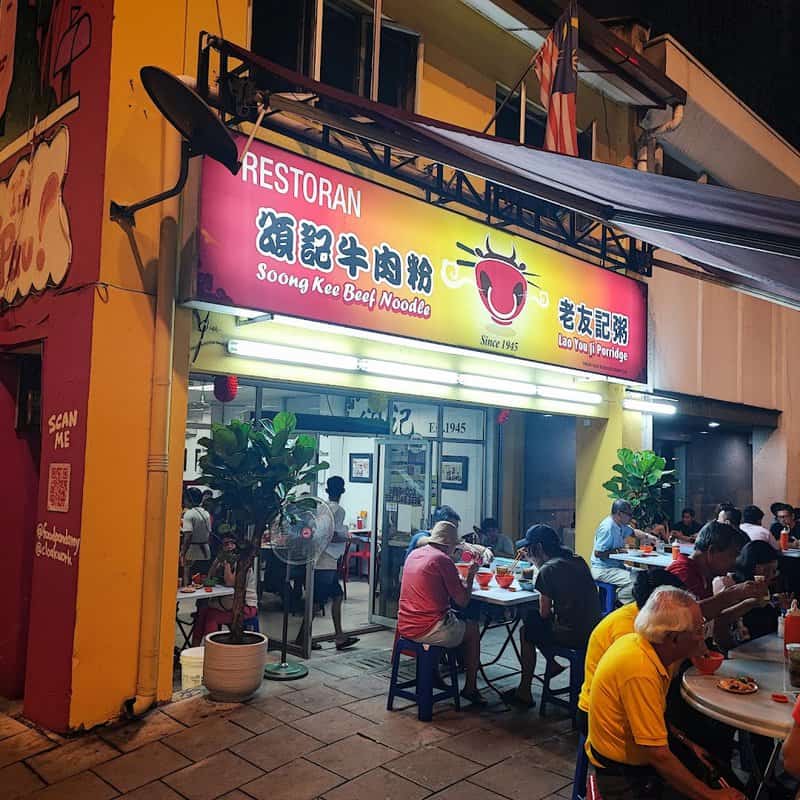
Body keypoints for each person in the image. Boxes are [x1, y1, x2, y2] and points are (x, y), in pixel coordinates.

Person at [588, 587, 744, 800]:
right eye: (698, 630)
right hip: (623, 776)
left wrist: (685, 743)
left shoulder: (652, 650)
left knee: (714, 763)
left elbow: (654, 717)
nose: (703, 636)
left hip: (639, 762)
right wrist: (708, 795)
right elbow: (658, 755)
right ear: (673, 638)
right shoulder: (639, 668)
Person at [577, 568, 685, 735]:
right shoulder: (629, 631)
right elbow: (640, 688)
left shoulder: (647, 617)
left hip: (625, 703)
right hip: (601, 714)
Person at [503, 524, 601, 708]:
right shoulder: (576, 559)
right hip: (594, 629)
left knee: (528, 628)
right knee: (533, 623)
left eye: (529, 548)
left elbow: (544, 613)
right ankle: (552, 663)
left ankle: (524, 691)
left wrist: (538, 567)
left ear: (538, 548)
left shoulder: (548, 569)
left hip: (572, 634)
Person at [398, 520, 485, 705]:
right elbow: (462, 601)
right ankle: (471, 688)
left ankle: (434, 674)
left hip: (405, 625)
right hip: (428, 629)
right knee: (472, 630)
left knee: (448, 618)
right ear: (449, 545)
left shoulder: (414, 554)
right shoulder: (442, 560)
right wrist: (470, 577)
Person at [301, 476, 358, 651]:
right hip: (326, 561)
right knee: (317, 602)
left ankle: (339, 636)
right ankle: (301, 639)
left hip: (321, 558)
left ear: (327, 490)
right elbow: (331, 534)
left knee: (337, 595)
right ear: (343, 490)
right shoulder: (338, 510)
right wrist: (348, 537)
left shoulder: (321, 508)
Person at [667, 521, 763, 624]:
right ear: (712, 551)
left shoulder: (706, 574)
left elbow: (711, 618)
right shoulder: (681, 572)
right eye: (732, 555)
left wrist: (747, 603)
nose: (735, 562)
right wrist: (733, 594)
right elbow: (683, 617)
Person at [192, 534, 258, 645]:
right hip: (227, 602)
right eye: (225, 544)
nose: (229, 546)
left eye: (231, 543)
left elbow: (229, 582)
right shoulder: (223, 561)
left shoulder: (243, 564)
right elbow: (210, 577)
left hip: (245, 606)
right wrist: (217, 560)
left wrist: (227, 562)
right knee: (202, 612)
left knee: (210, 617)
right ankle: (194, 648)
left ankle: (212, 650)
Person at [591, 500, 655, 604]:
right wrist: (617, 551)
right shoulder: (608, 528)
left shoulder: (620, 525)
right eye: (629, 514)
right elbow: (598, 553)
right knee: (636, 583)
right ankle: (618, 601)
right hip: (603, 569)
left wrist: (650, 537)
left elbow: (633, 532)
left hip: (616, 566)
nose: (631, 517)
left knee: (644, 575)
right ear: (619, 513)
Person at [181, 487, 213, 583]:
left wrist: (183, 552)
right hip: (205, 549)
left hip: (192, 550)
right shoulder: (206, 513)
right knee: (201, 578)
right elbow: (209, 533)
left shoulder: (189, 514)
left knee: (188, 576)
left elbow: (188, 536)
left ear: (188, 500)